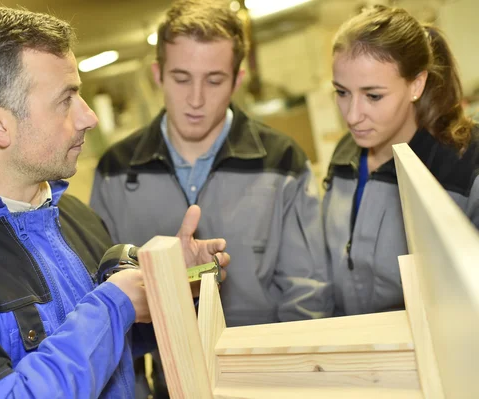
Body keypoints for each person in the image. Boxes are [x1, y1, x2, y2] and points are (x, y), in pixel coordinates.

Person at [0, 7, 230, 398]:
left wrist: (169, 287)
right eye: (66, 100)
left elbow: (119, 354)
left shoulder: (72, 216)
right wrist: (114, 304)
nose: (89, 118)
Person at [90, 1, 333, 396]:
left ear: (238, 79)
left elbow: (308, 295)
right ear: (158, 75)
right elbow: (102, 295)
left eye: (214, 80)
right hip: (168, 384)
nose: (197, 99)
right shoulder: (115, 170)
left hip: (268, 383)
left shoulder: (283, 162)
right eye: (182, 78)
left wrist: (296, 384)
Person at [323, 5, 479, 317]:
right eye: (342, 92)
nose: (353, 116)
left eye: (374, 96)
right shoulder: (344, 153)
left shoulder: (464, 162)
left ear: (416, 85)